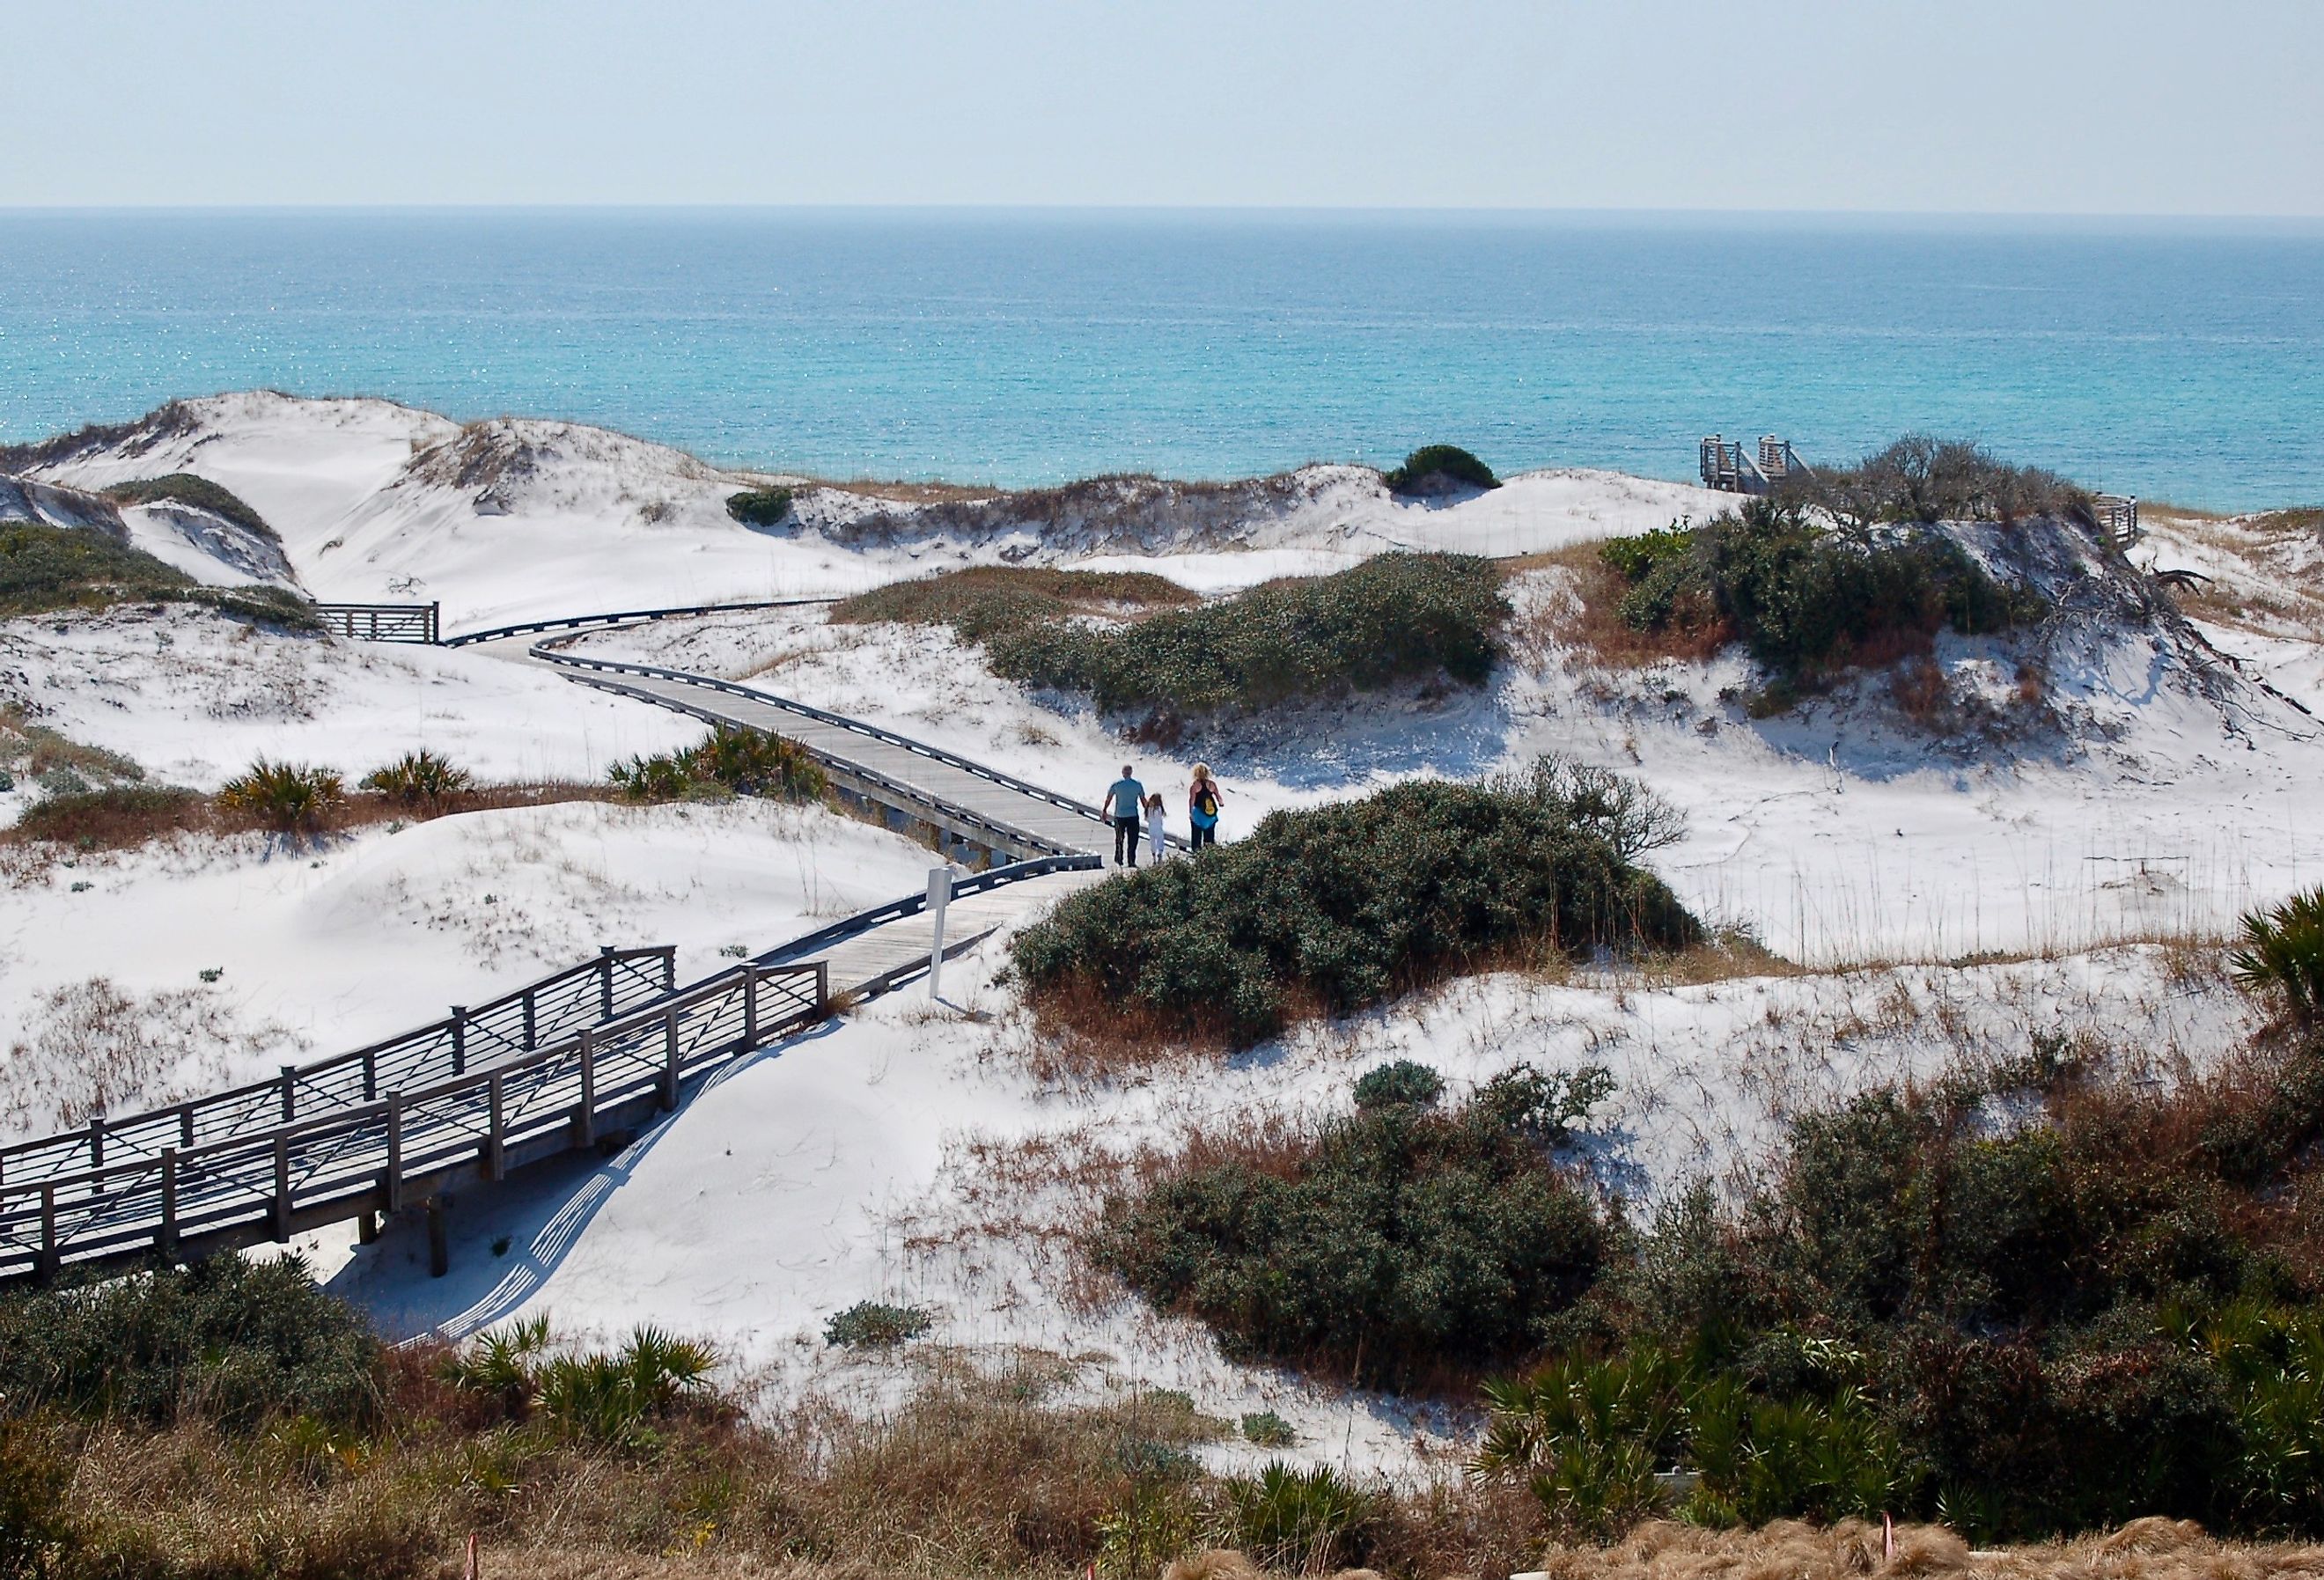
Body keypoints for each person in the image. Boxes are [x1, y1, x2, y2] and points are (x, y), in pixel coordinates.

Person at [1107, 763, 1145, 866]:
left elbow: (1109, 798)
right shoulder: (1137, 785)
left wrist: (1104, 810)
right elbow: (1143, 800)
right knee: (1133, 839)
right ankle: (1131, 860)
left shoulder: (1117, 784)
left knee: (1119, 838)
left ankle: (1119, 857)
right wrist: (1148, 811)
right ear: (1131, 772)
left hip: (1120, 815)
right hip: (1133, 815)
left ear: (1123, 773)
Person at [1188, 762, 1224, 850]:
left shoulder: (1195, 786)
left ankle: (1197, 856)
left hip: (1198, 815)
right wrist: (1221, 803)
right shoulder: (1212, 784)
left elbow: (1192, 800)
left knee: (1196, 838)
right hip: (1210, 815)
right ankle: (1209, 856)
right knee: (1209, 838)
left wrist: (1191, 813)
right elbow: (1218, 796)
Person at [1144, 790, 1168, 863]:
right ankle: (1159, 854)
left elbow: (1146, 819)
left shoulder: (1148, 809)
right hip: (1158, 828)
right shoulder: (1159, 809)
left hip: (1151, 828)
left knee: (1152, 842)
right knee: (1160, 841)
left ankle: (1153, 856)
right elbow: (1163, 816)